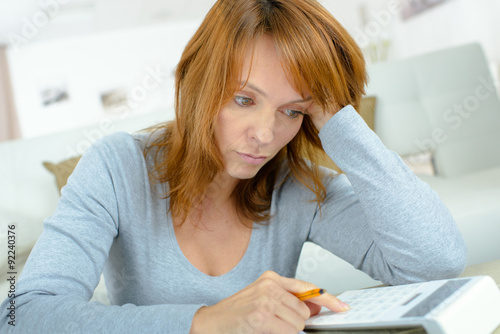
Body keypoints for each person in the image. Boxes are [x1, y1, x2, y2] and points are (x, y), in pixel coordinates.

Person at [1, 0, 467, 333]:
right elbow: (23, 316)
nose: (265, 135)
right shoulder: (116, 167)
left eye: (292, 111)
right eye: (244, 100)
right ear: (198, 83)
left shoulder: (296, 186)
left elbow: (435, 262)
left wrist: (338, 119)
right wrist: (208, 322)